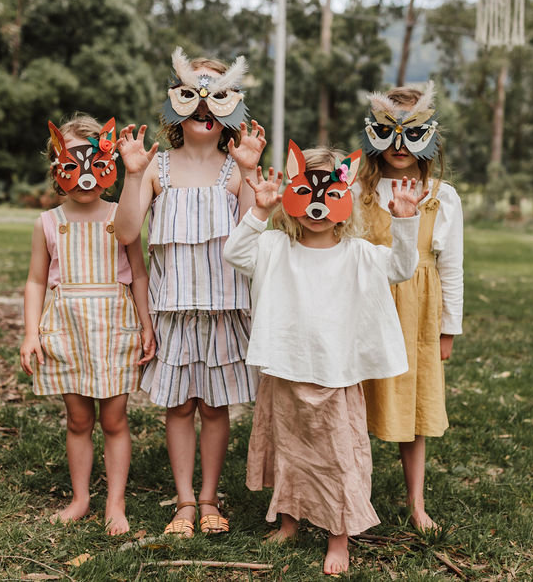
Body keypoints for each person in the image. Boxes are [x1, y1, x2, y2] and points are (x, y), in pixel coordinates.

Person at [224, 141, 420, 575]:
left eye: (328, 195)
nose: (316, 207)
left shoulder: (360, 255)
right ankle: (290, 521)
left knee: (336, 456)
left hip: (335, 373)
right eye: (306, 193)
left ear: (344, 197)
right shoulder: (274, 247)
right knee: (289, 450)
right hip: (285, 367)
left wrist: (405, 222)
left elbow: (402, 268)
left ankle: (338, 536)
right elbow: (234, 254)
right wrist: (258, 211)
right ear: (292, 198)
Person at [113, 48, 266, 537]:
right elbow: (125, 232)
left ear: (233, 108)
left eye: (216, 99)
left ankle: (209, 499)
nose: (204, 108)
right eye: (194, 98)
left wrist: (252, 171)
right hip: (172, 308)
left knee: (215, 406)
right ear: (177, 105)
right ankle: (183, 502)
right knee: (179, 406)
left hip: (224, 308)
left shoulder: (236, 169)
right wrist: (133, 175)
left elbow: (251, 235)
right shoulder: (157, 168)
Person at [20, 114, 155, 536]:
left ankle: (115, 502)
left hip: (114, 329)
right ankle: (80, 498)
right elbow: (36, 280)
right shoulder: (48, 223)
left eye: (95, 165)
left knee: (114, 421)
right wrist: (30, 333)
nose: (84, 177)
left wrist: (147, 326)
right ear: (58, 170)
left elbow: (140, 275)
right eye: (72, 166)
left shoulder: (122, 216)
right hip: (68, 331)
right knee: (78, 420)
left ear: (110, 165)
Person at [356, 82, 464, 532]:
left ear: (430, 137)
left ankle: (416, 501)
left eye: (411, 133)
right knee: (353, 401)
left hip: (416, 310)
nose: (399, 145)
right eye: (388, 132)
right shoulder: (354, 188)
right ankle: (352, 494)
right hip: (365, 303)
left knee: (414, 404)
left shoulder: (443, 195)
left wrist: (448, 328)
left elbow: (452, 266)